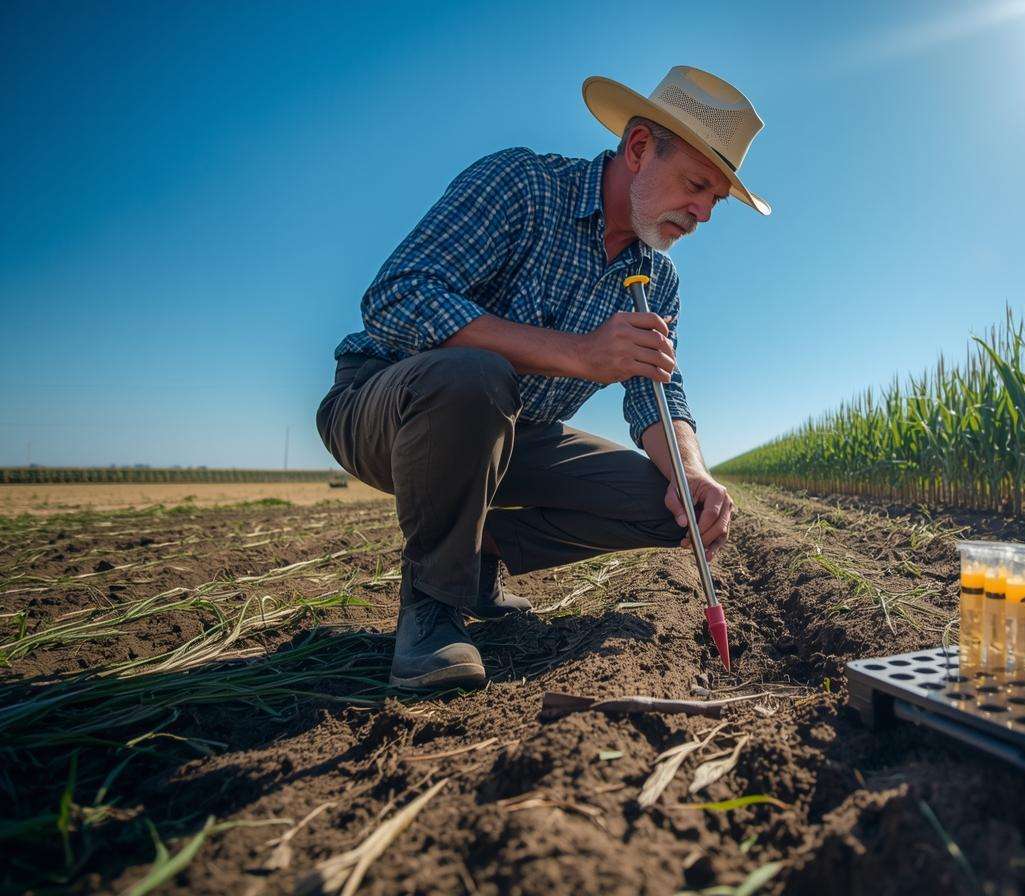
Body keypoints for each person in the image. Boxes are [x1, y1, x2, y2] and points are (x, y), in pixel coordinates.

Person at [315, 66, 769, 690]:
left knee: (673, 508)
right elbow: (396, 297)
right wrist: (580, 354)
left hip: (513, 435)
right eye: (696, 185)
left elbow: (656, 396)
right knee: (473, 377)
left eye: (715, 200)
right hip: (392, 405)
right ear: (639, 148)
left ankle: (478, 554)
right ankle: (432, 606)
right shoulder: (523, 186)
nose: (703, 214)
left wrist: (691, 472)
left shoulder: (656, 281)